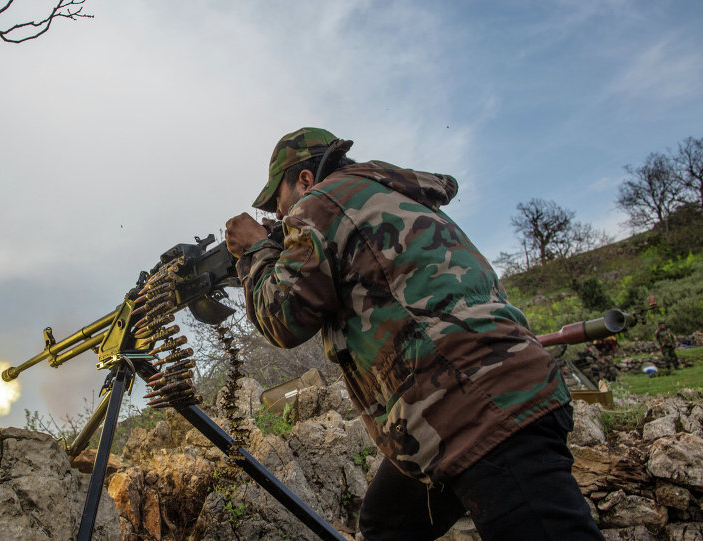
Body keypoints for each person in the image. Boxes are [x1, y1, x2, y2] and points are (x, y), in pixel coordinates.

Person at [225, 128, 602, 540]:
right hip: (459, 401)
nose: (279, 216)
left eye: (277, 201)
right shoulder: (386, 194)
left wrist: (255, 251)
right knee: (386, 525)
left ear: (304, 180)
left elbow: (283, 318)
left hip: (477, 407)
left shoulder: (319, 204)